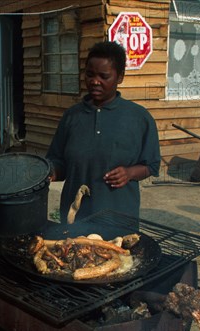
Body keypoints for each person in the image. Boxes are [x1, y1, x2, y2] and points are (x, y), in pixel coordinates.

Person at [46, 41, 161, 224]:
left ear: (120, 77)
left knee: (118, 253)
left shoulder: (139, 118)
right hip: (74, 219)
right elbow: (59, 162)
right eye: (90, 74)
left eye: (103, 76)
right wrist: (50, 173)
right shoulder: (72, 116)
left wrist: (129, 172)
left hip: (119, 219)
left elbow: (151, 165)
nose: (94, 81)